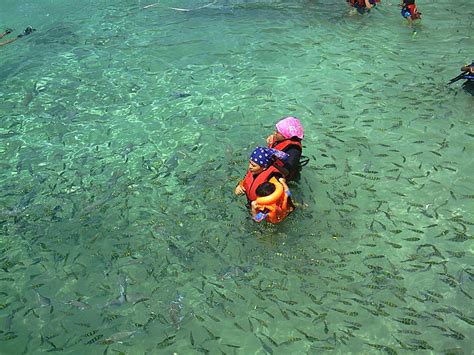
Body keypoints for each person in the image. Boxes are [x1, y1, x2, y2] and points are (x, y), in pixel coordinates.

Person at [266, 116, 306, 181]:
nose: (274, 133)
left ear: (286, 136)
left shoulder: (294, 151)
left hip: (284, 175)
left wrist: (271, 166)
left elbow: (287, 171)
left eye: (277, 132)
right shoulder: (281, 139)